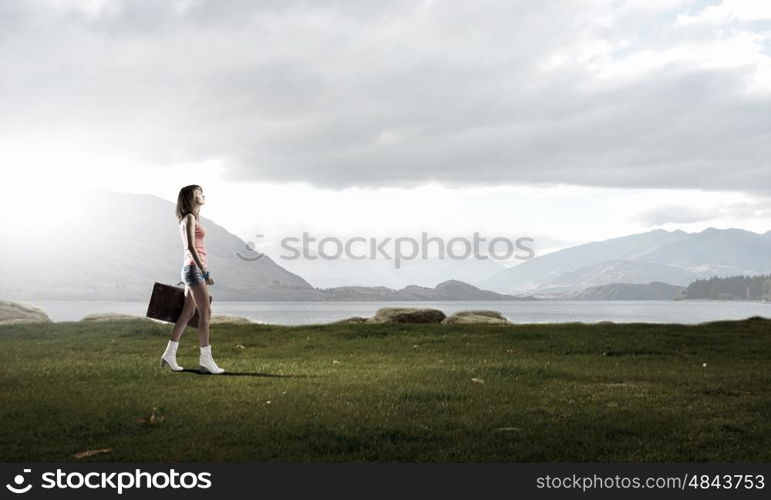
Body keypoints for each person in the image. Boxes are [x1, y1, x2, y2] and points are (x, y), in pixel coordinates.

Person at [159, 184, 225, 374]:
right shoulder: (189, 218)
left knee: (187, 314)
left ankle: (169, 354)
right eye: (199, 193)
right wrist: (204, 271)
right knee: (205, 314)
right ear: (190, 197)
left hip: (190, 270)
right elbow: (190, 246)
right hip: (195, 270)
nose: (203, 195)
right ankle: (206, 360)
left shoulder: (192, 218)